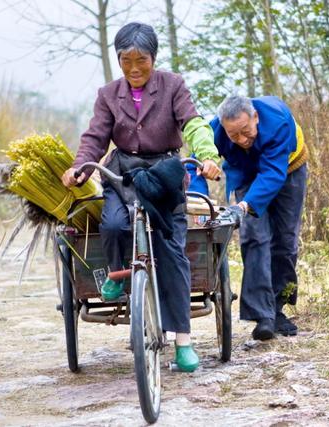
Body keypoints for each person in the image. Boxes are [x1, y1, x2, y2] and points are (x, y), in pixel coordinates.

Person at [61, 22, 221, 372]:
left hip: (163, 175)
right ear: (118, 59)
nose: (134, 68)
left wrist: (208, 154)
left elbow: (193, 123)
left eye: (141, 60)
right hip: (124, 174)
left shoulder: (173, 85)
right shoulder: (108, 94)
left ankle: (183, 342)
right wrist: (79, 169)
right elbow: (95, 137)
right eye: (126, 60)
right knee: (115, 224)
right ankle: (117, 275)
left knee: (173, 253)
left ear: (154, 58)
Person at [208, 95, 308, 340]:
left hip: (287, 170)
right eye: (234, 136)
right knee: (254, 236)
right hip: (245, 173)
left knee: (285, 241)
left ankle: (277, 308)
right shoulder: (215, 130)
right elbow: (202, 160)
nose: (242, 140)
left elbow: (273, 174)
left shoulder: (278, 121)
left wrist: (244, 205)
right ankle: (263, 316)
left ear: (255, 117)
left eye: (246, 131)